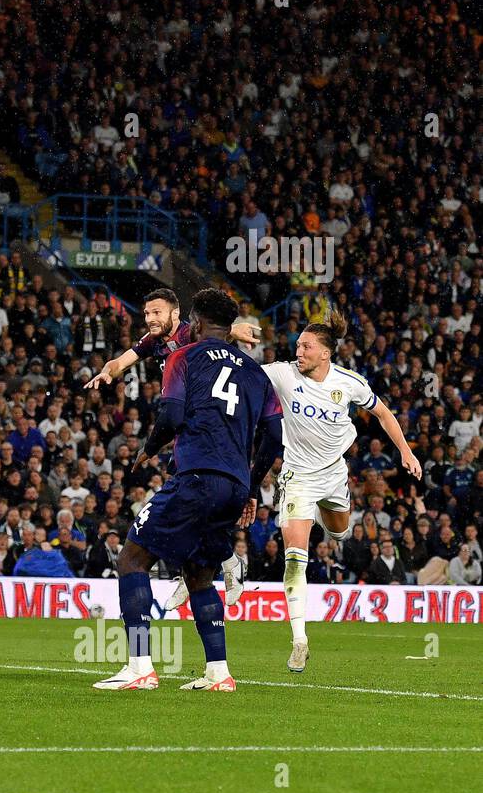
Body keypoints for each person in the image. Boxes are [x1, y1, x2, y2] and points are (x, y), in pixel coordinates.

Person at [95, 289, 282, 692]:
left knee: (131, 557)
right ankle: (218, 672)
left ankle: (140, 666)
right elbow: (274, 437)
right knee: (198, 571)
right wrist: (251, 487)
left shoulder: (183, 356)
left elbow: (172, 414)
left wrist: (148, 448)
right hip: (234, 485)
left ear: (193, 322)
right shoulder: (257, 374)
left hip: (196, 474)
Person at [253, 310, 421, 671]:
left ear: (326, 353)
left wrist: (405, 451)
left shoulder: (349, 383)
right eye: (297, 345)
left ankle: (316, 515)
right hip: (298, 475)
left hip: (333, 475)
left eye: (306, 347)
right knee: (295, 556)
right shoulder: (283, 373)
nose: (299, 351)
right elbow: (241, 371)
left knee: (340, 531)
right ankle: (300, 640)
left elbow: (385, 415)